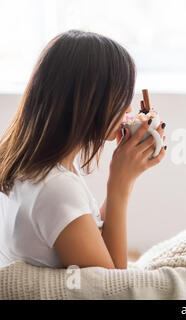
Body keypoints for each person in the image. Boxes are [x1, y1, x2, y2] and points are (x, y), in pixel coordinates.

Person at [0, 30, 166, 270]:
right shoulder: (55, 187)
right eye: (121, 96)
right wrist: (118, 185)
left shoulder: (37, 167)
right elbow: (111, 289)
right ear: (90, 100)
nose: (128, 108)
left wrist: (126, 177)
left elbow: (91, 237)